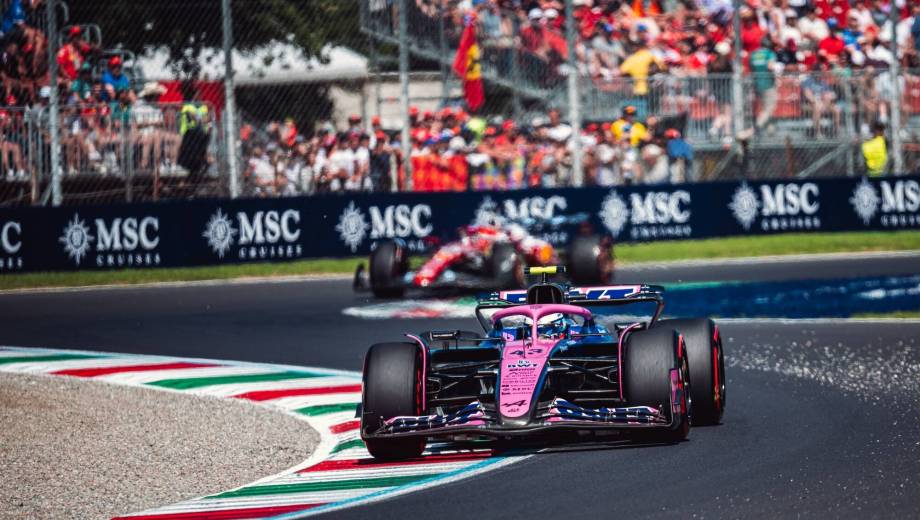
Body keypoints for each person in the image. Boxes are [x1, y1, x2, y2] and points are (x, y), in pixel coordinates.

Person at [750, 37, 779, 132]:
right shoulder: (769, 54)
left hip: (756, 83)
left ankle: (770, 129)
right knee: (770, 107)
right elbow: (770, 67)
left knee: (764, 107)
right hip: (768, 84)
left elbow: (751, 68)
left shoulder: (754, 54)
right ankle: (757, 127)